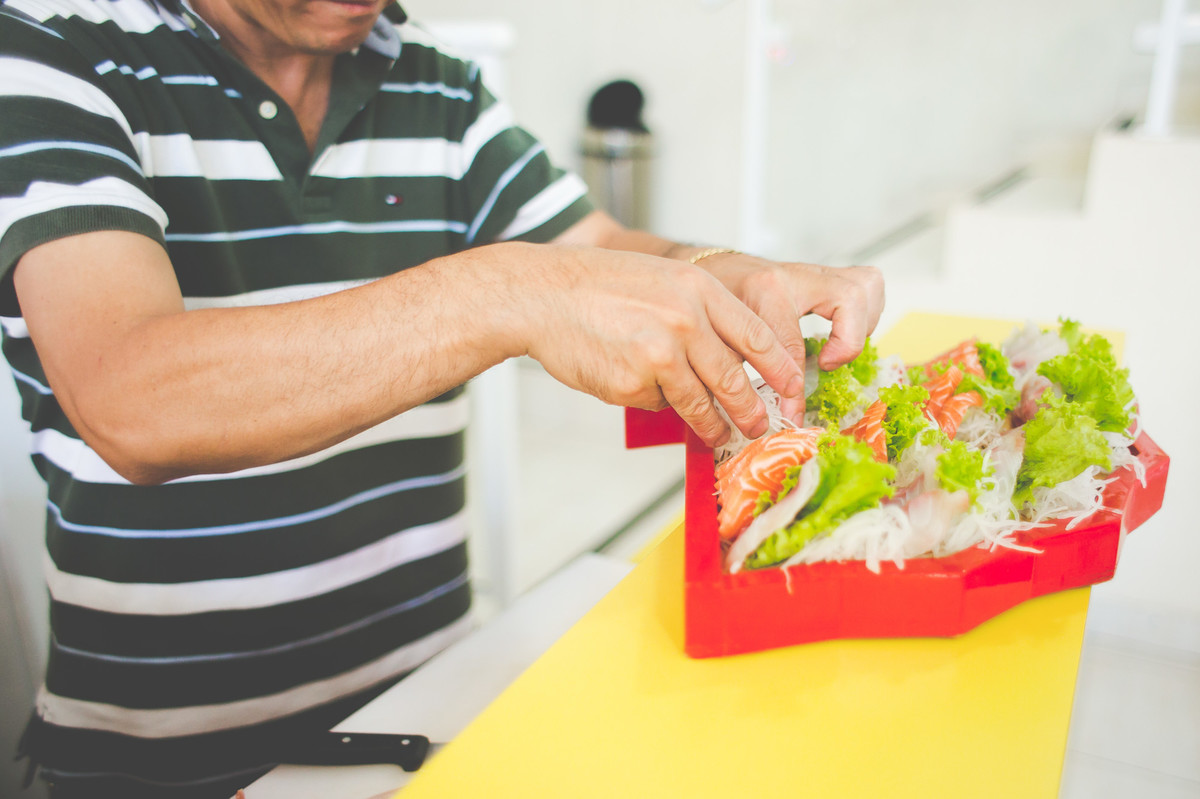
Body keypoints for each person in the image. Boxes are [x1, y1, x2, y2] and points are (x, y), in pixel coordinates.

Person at [0, 0, 883, 794]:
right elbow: (134, 399)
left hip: (430, 712)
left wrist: (725, 273)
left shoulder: (431, 77)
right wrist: (504, 292)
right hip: (163, 760)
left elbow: (595, 245)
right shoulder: (50, 49)